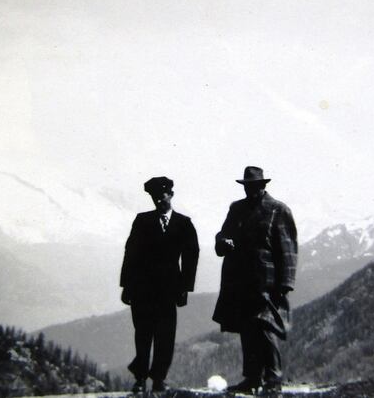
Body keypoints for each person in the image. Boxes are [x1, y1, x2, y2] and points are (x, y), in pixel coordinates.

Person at [212, 166, 298, 394]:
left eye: (254, 186)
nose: (250, 190)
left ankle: (273, 379)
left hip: (267, 281)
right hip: (239, 280)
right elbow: (223, 235)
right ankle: (252, 379)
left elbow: (288, 249)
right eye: (247, 186)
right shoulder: (236, 209)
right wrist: (223, 242)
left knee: (266, 327)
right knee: (247, 329)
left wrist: (286, 282)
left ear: (263, 185)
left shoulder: (278, 210)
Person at [120, 176, 200, 393]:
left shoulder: (184, 223)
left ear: (171, 195)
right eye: (155, 197)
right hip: (141, 289)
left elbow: (191, 256)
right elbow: (131, 253)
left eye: (162, 195)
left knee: (165, 336)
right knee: (143, 334)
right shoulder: (142, 220)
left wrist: (185, 288)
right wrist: (126, 285)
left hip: (168, 290)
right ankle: (140, 379)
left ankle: (158, 379)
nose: (158, 200)